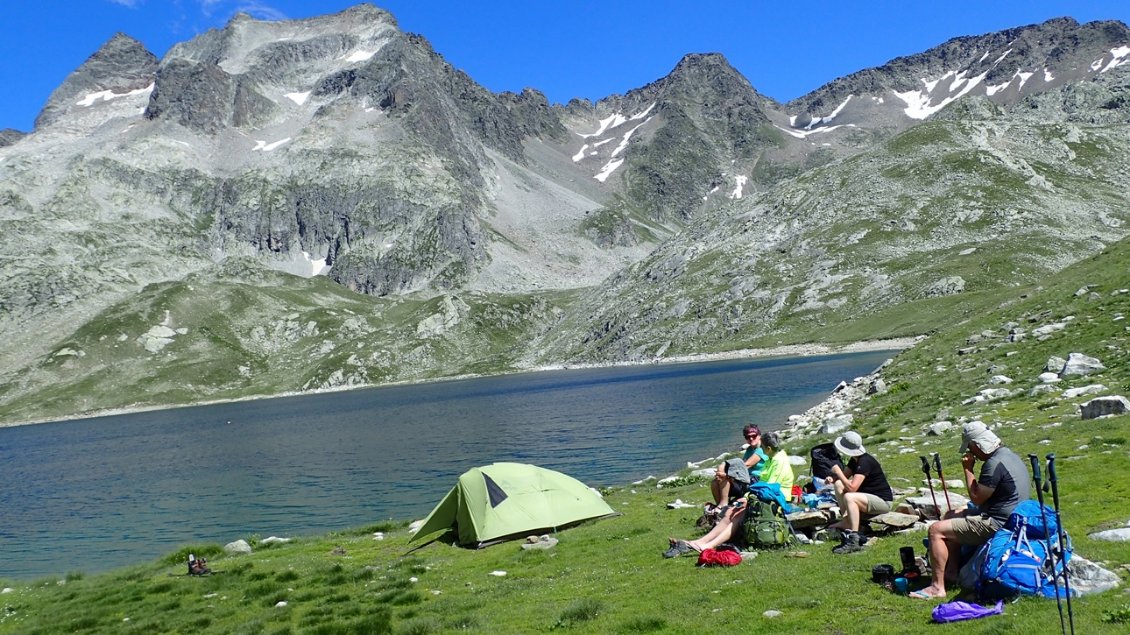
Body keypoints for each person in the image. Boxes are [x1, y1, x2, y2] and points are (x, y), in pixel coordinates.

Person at [910, 421, 1031, 599]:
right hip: (1014, 516)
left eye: (970, 447)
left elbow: (976, 496)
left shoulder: (993, 464)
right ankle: (951, 572)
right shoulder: (1009, 455)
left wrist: (968, 469)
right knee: (951, 516)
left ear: (977, 445)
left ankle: (937, 587)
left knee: (935, 530)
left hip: (998, 523)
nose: (970, 452)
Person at [664, 431, 792, 558]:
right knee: (730, 512)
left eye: (762, 448)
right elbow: (763, 487)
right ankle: (699, 542)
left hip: (776, 500)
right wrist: (747, 497)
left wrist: (749, 498)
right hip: (766, 497)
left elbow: (770, 489)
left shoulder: (779, 461)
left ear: (768, 448)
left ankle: (707, 545)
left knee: (738, 515)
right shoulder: (771, 458)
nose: (761, 450)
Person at [825, 431, 894, 554]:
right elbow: (844, 478)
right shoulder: (855, 460)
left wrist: (838, 472)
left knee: (850, 497)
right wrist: (833, 478)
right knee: (838, 484)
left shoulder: (865, 462)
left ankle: (854, 537)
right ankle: (847, 520)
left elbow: (852, 488)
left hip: (883, 502)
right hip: (868, 498)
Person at [708, 424, 766, 512]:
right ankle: (719, 505)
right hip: (745, 479)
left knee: (725, 479)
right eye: (748, 437)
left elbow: (745, 465)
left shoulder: (761, 450)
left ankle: (723, 506)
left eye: (753, 436)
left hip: (755, 481)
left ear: (759, 435)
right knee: (715, 483)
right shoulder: (750, 449)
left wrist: (727, 473)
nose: (751, 439)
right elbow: (739, 467)